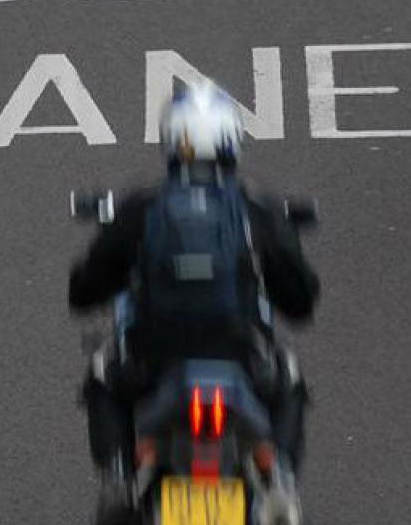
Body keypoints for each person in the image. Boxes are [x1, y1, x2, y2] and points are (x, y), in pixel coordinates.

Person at [68, 83, 320, 519]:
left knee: (102, 375)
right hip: (242, 358)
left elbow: (85, 291)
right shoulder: (254, 209)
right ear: (231, 142)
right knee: (290, 378)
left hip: (153, 360)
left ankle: (118, 478)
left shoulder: (143, 207)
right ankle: (279, 479)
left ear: (169, 140)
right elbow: (300, 301)